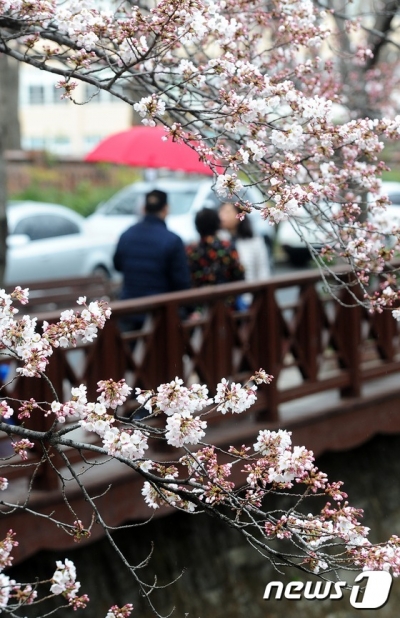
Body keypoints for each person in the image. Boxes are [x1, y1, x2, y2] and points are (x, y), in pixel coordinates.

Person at [113, 189, 191, 330]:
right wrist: (190, 309)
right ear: (166, 209)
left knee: (129, 350)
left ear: (144, 209)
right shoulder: (172, 240)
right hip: (160, 313)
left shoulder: (126, 235)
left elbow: (117, 265)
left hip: (129, 309)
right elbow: (181, 281)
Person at [186, 208, 245, 288]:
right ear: (217, 224)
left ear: (197, 226)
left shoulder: (190, 251)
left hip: (199, 299)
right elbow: (239, 275)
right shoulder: (228, 247)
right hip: (227, 296)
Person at [219, 201, 271, 281]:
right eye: (221, 212)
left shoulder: (254, 240)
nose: (222, 217)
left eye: (228, 212)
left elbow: (262, 269)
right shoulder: (219, 239)